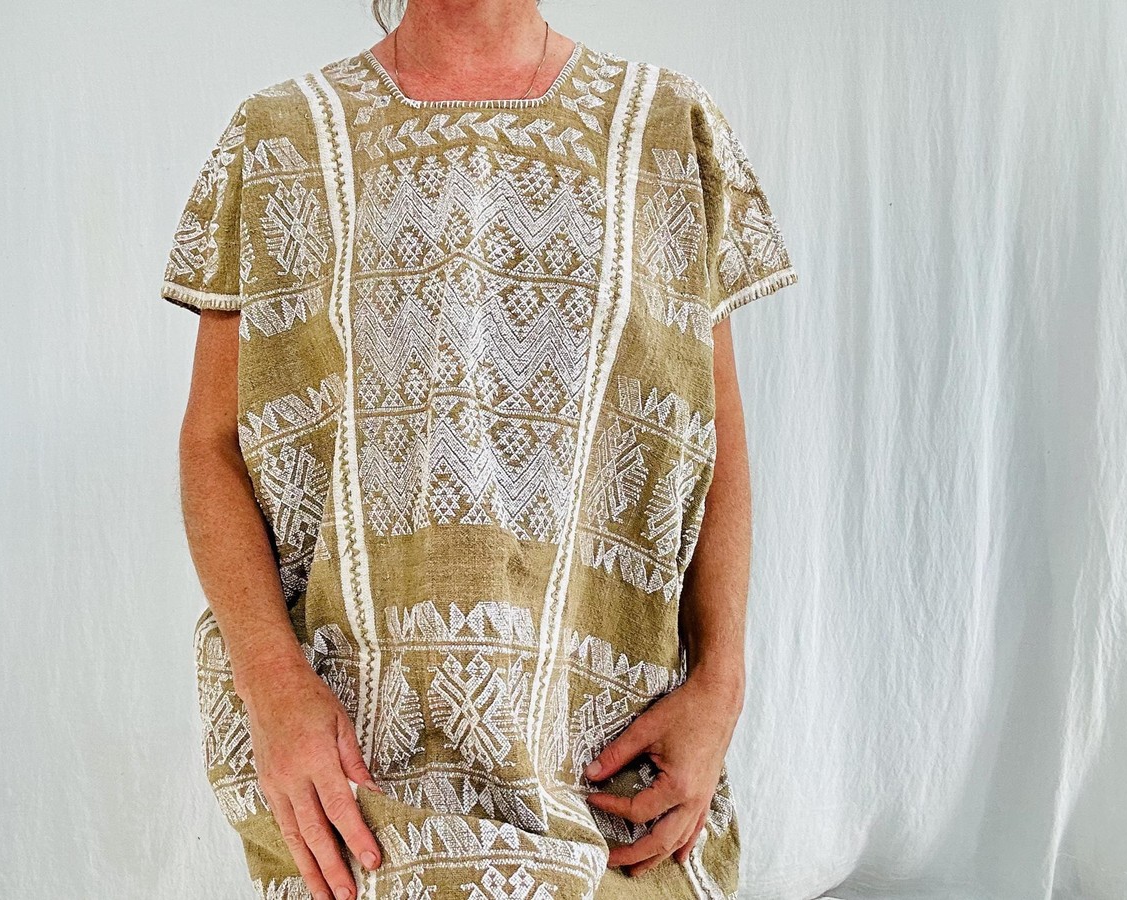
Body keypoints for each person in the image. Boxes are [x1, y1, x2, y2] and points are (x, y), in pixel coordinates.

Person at [162, 2, 798, 897]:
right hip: (355, 779)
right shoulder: (279, 138)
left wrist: (720, 686)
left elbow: (714, 439)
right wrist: (270, 683)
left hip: (609, 779)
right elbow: (212, 444)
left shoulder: (670, 130)